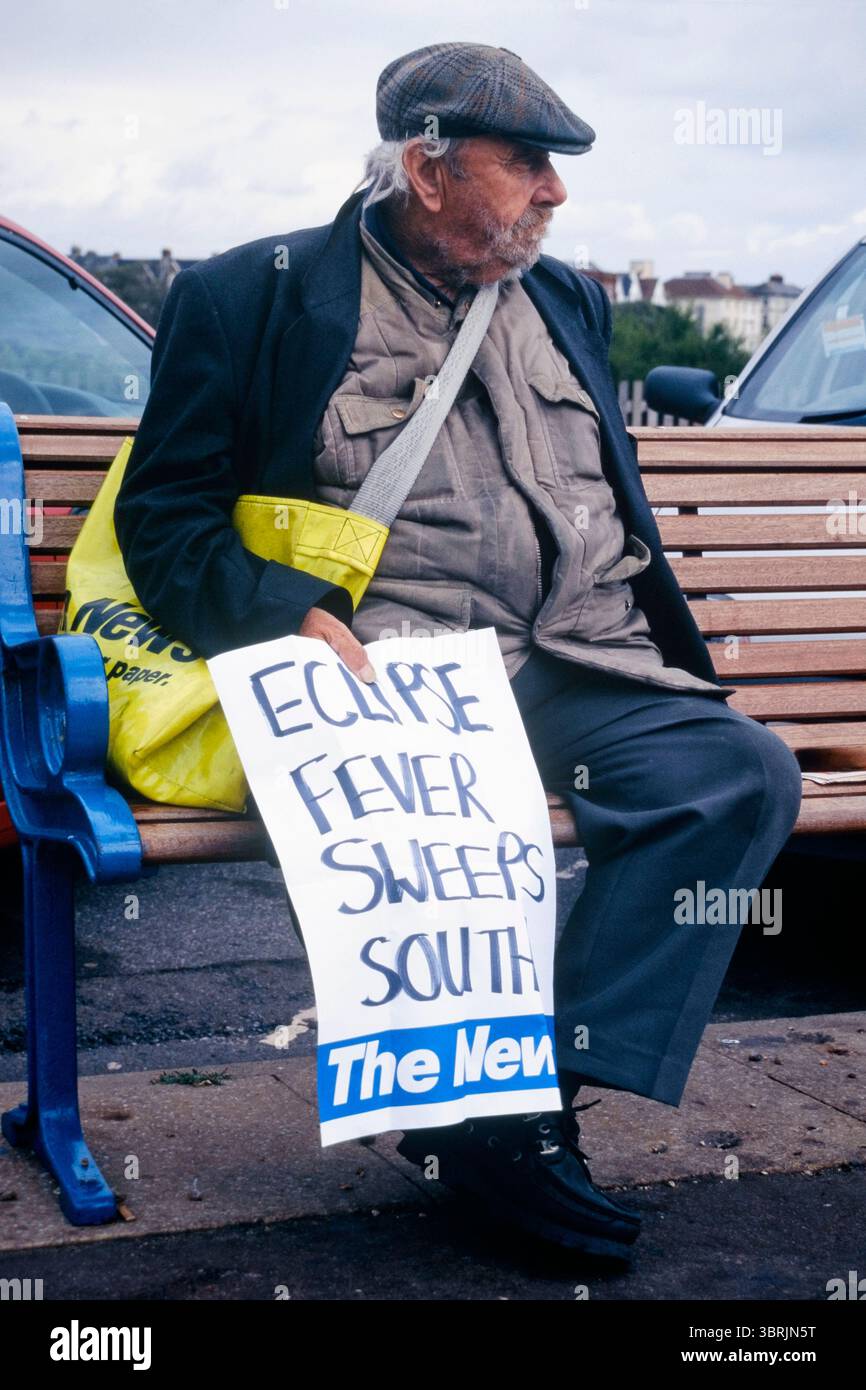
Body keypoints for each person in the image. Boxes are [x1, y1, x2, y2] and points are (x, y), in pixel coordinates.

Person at [114, 42, 803, 1261]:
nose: (554, 192)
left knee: (737, 773)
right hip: (385, 676)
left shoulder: (567, 297)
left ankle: (518, 1111)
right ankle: (505, 1140)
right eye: (527, 162)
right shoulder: (250, 295)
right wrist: (281, 615)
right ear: (427, 169)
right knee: (460, 841)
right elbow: (163, 520)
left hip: (577, 659)